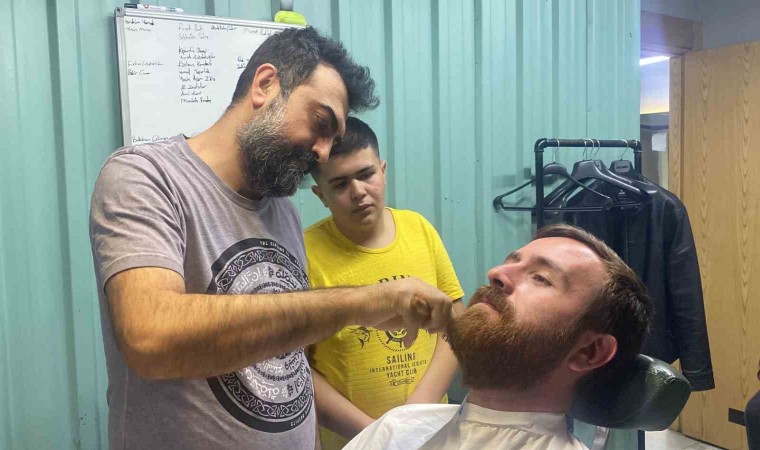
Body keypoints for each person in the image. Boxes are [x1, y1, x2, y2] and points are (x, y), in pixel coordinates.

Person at [89, 27, 455, 450]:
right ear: (265, 85)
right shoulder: (146, 177)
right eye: (320, 123)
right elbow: (151, 339)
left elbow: (290, 365)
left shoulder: (283, 211)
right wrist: (358, 303)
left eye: (333, 140)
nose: (322, 153)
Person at [345, 224, 654, 450]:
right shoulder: (401, 428)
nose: (495, 273)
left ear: (590, 351)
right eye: (510, 262)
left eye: (541, 278)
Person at [304, 117, 466, 448]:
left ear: (383, 171)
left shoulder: (419, 229)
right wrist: (378, 436)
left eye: (366, 175)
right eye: (340, 184)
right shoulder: (303, 253)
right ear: (321, 195)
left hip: (432, 434)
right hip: (354, 441)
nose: (358, 192)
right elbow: (298, 369)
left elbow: (454, 324)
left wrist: (411, 420)